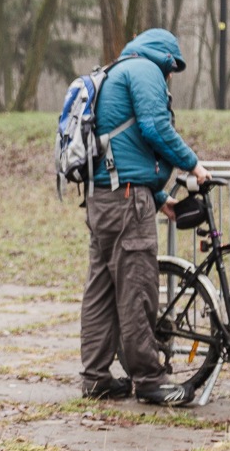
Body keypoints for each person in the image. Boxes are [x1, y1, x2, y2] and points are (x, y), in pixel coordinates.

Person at [79, 28, 211, 406]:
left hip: (103, 197)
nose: (171, 75)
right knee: (138, 287)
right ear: (166, 57)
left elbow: (124, 145)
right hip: (126, 201)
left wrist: (158, 196)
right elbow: (155, 127)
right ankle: (150, 380)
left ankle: (95, 377)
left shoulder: (116, 71)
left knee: (101, 290)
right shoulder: (145, 70)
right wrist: (194, 165)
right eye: (173, 67)